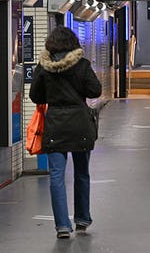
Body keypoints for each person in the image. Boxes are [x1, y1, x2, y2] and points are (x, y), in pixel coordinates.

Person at [29, 26, 102, 239]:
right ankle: (82, 218)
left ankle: (62, 225)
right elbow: (95, 91)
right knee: (81, 173)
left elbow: (36, 96)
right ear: (73, 44)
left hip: (56, 124)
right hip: (80, 123)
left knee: (57, 176)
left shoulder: (43, 67)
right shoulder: (82, 65)